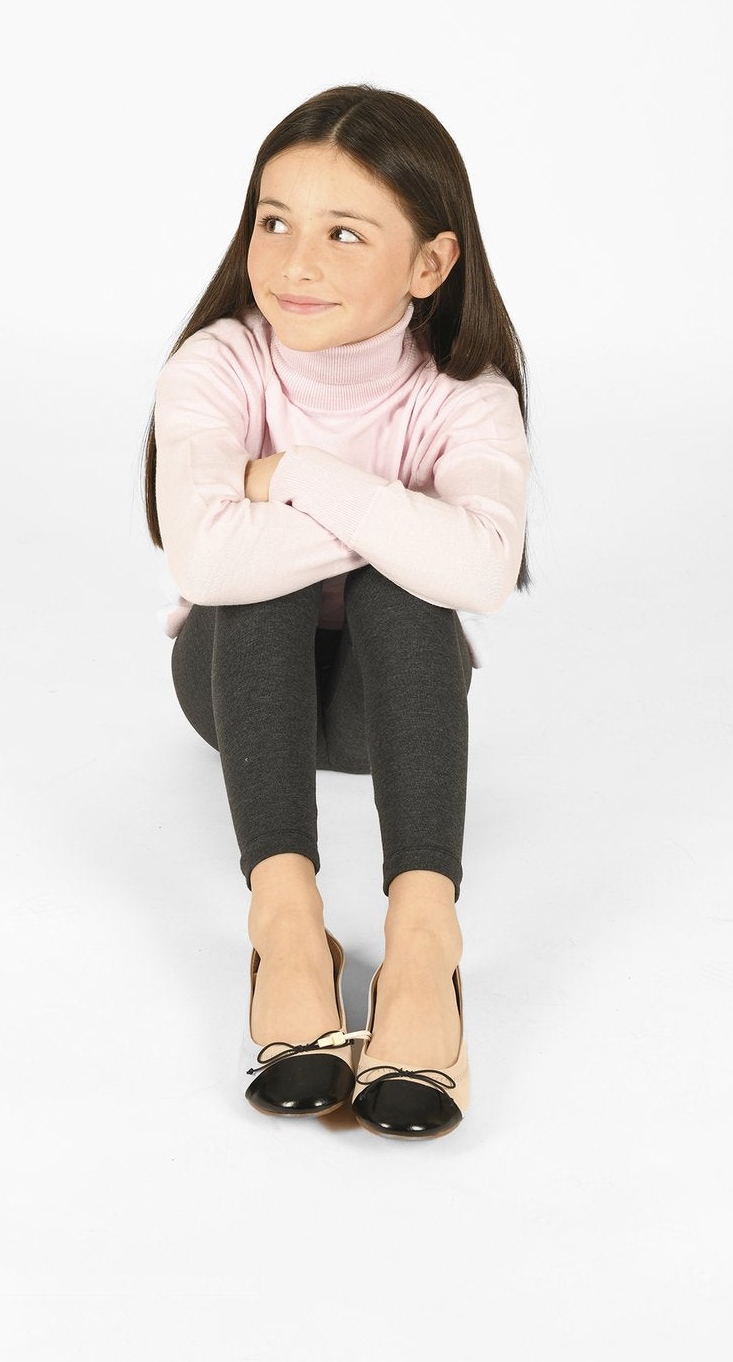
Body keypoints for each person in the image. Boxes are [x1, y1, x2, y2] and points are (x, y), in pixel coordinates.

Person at [139, 83, 532, 1140]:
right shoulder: (218, 363)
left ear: (429, 264)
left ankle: (423, 940)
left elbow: (487, 572)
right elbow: (204, 556)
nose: (294, 262)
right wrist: (409, 517)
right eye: (274, 221)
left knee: (405, 592)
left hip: (389, 712)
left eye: (343, 233)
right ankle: (285, 922)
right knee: (265, 583)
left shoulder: (463, 394)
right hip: (229, 693)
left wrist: (294, 476)